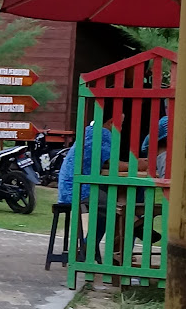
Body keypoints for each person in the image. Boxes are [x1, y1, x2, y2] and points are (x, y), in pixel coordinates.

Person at [58, 106, 149, 261]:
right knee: (118, 208)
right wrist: (136, 164)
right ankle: (129, 238)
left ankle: (90, 247)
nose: (122, 128)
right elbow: (114, 165)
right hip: (81, 188)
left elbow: (103, 163)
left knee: (108, 209)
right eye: (121, 124)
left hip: (70, 186)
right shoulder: (104, 134)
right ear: (112, 122)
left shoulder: (90, 132)